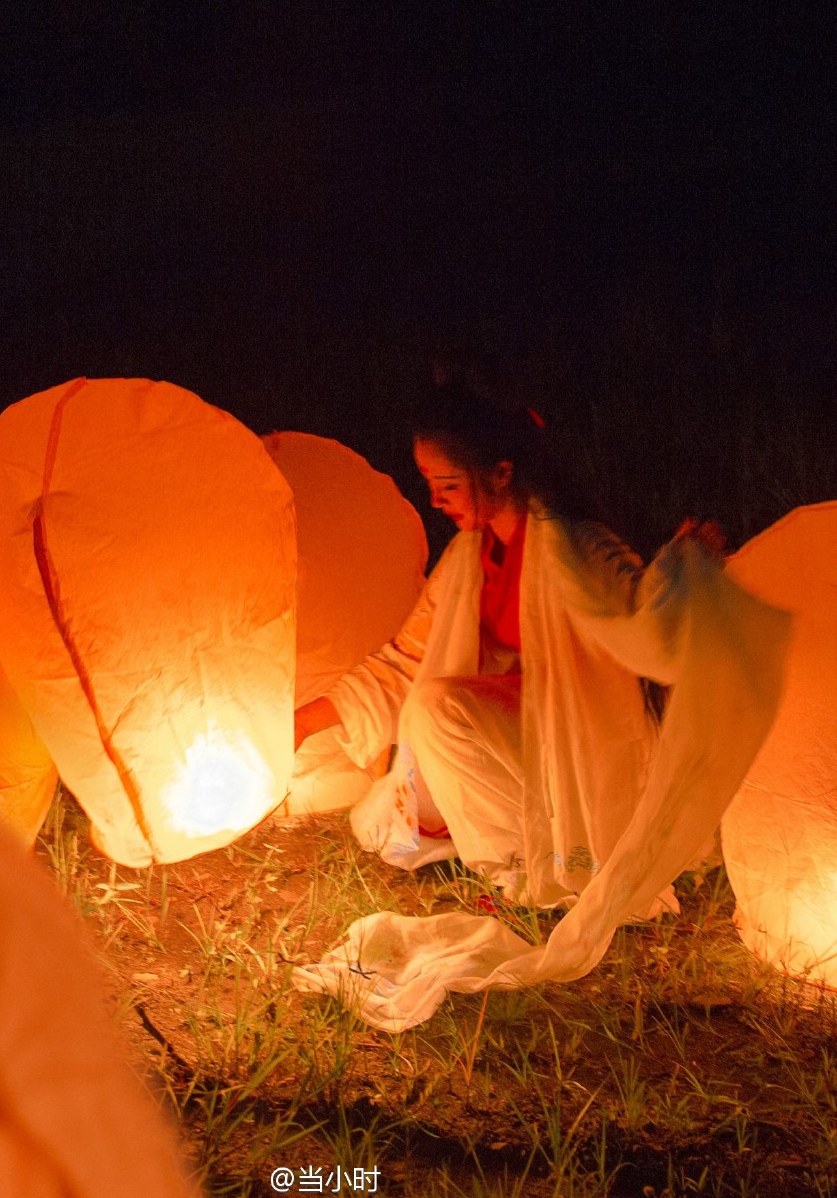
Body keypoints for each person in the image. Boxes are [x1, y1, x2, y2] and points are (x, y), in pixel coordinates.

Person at [294, 371, 724, 909]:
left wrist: (686, 573)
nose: (434, 500)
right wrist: (302, 722)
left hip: (583, 748)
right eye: (429, 483)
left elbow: (643, 617)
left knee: (435, 709)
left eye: (448, 485)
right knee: (396, 817)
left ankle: (525, 874)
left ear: (500, 474)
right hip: (515, 738)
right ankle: (522, 847)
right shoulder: (465, 562)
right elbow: (405, 659)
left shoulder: (574, 547)